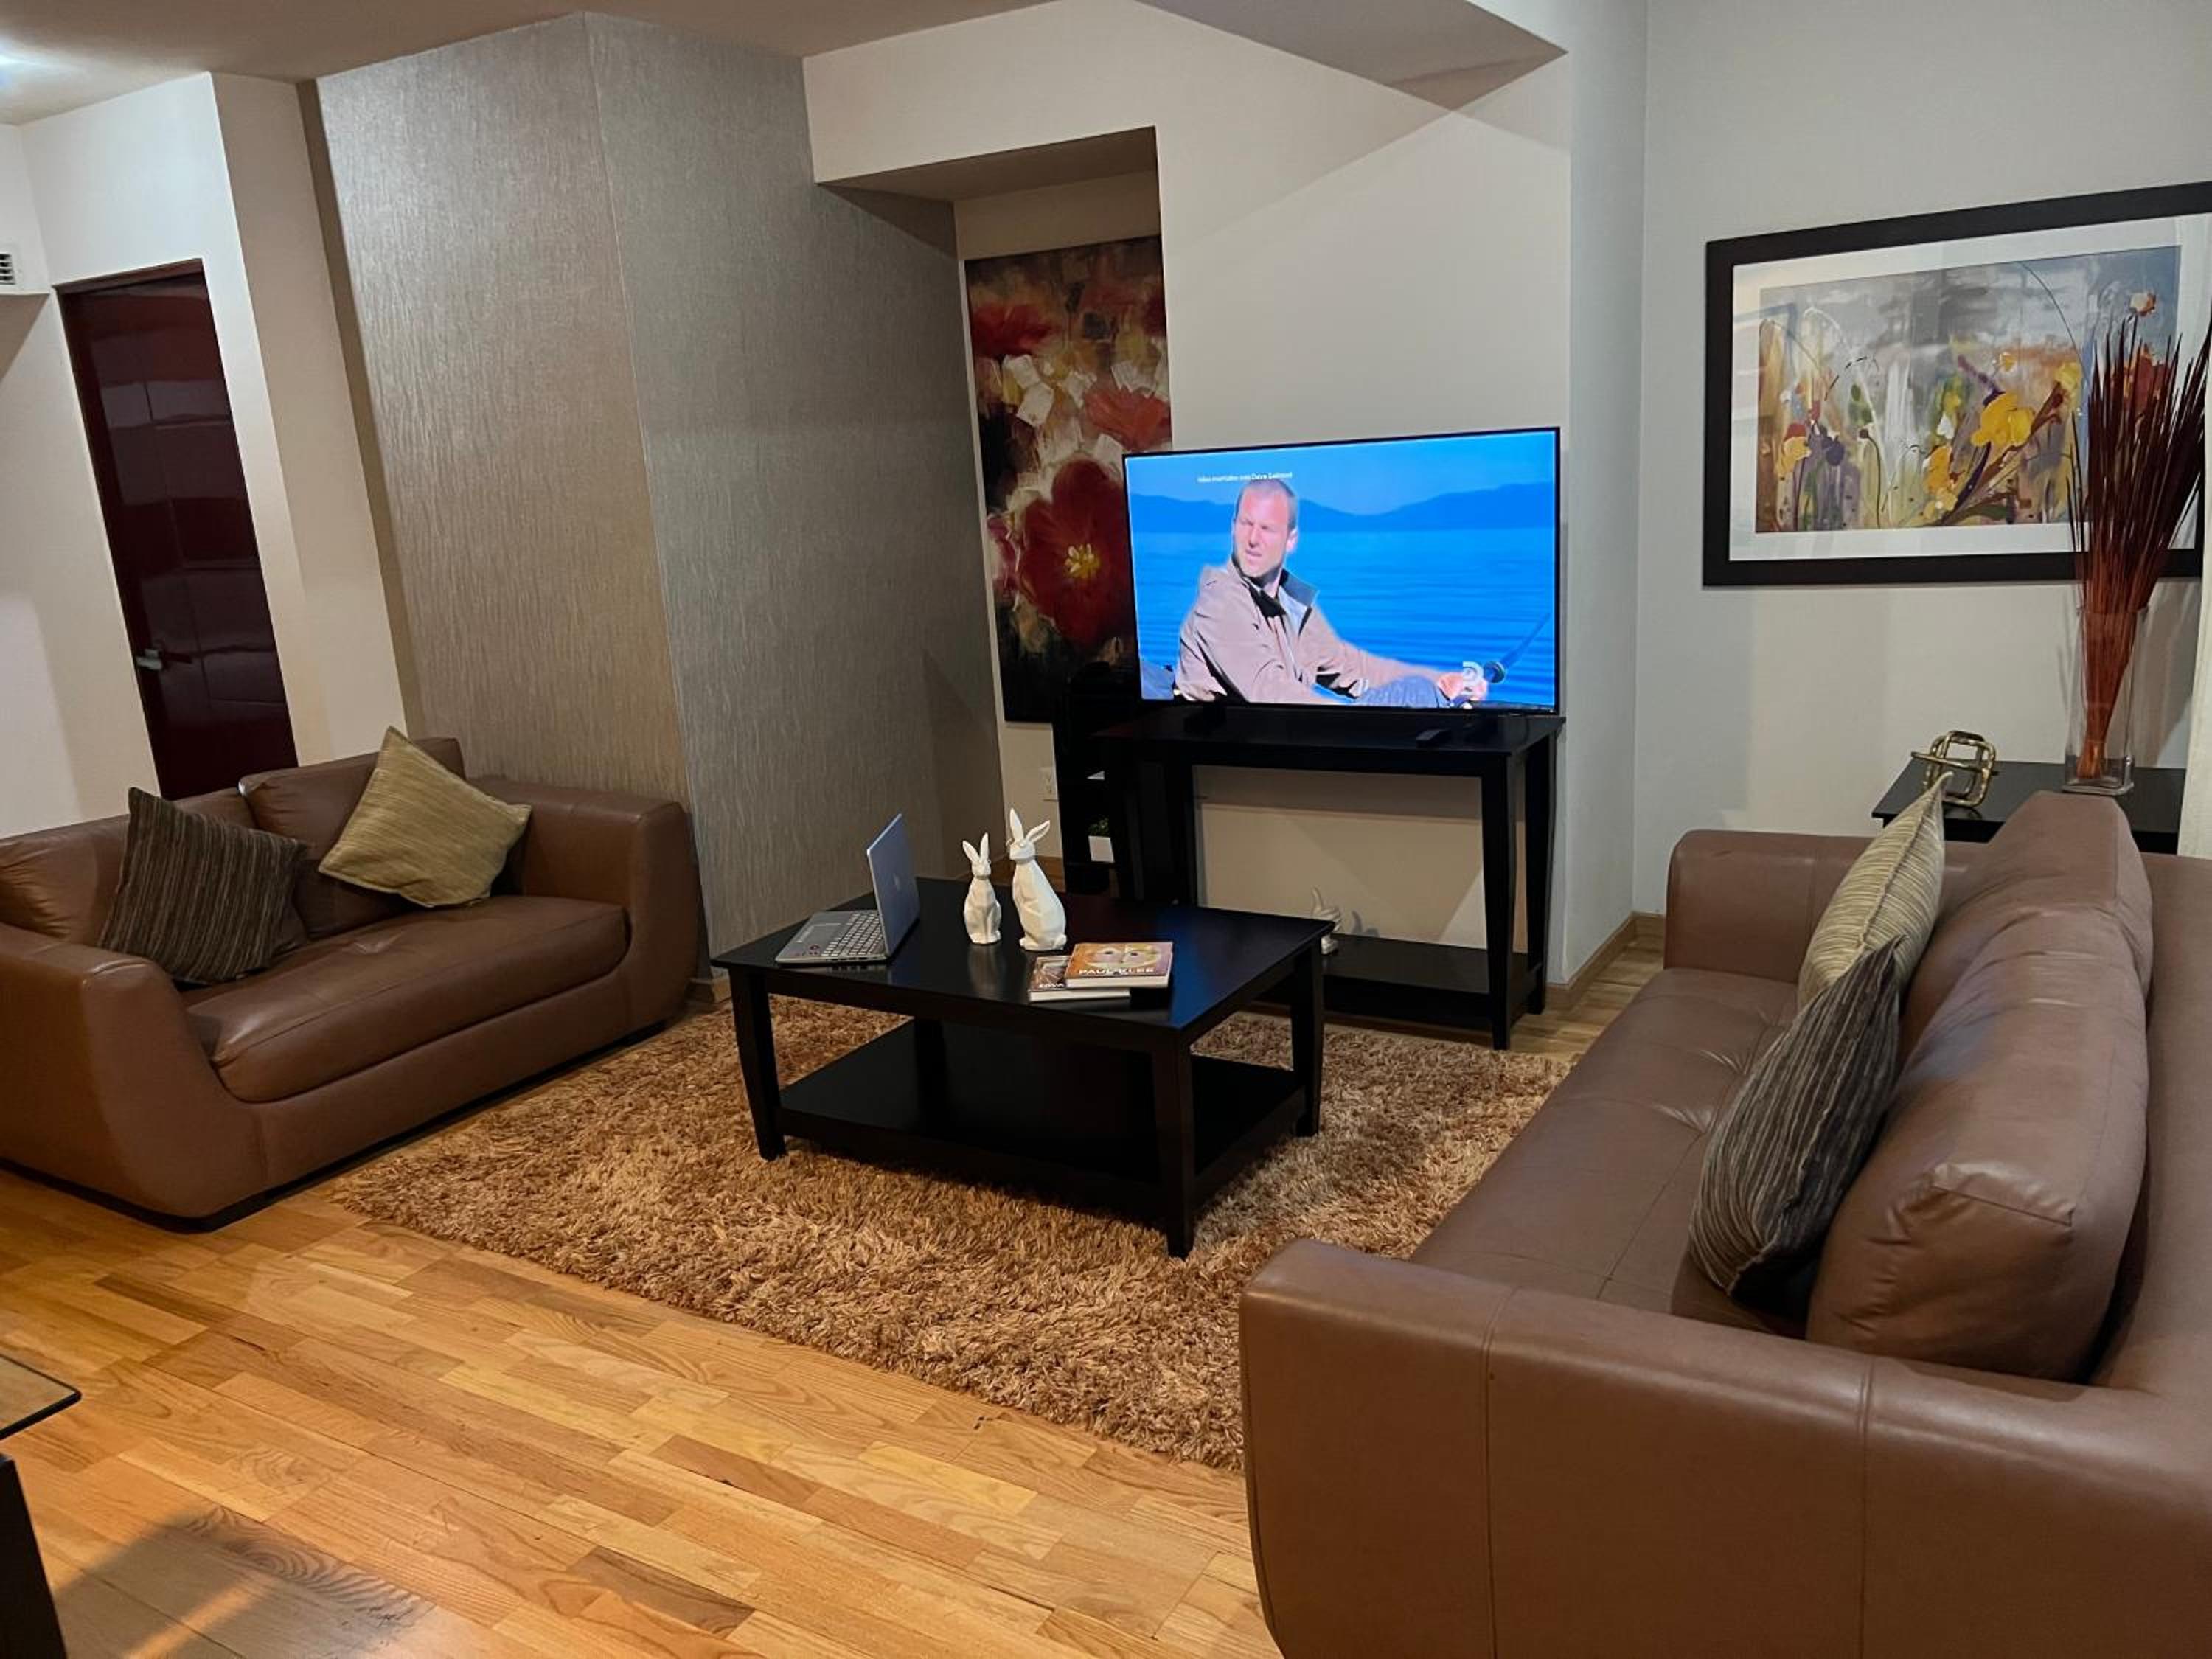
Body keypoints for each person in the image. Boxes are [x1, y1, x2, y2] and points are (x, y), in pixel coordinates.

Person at [1170, 478, 1483, 706]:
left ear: (1291, 540)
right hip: (1225, 752)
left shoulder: (1292, 605)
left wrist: (1440, 681)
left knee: (1418, 691)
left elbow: (1353, 667)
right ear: (1233, 527)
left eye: (1266, 529)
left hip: (1283, 741)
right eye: (1245, 524)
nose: (1253, 539)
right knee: (1413, 697)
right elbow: (1269, 690)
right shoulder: (1220, 601)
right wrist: (1356, 720)